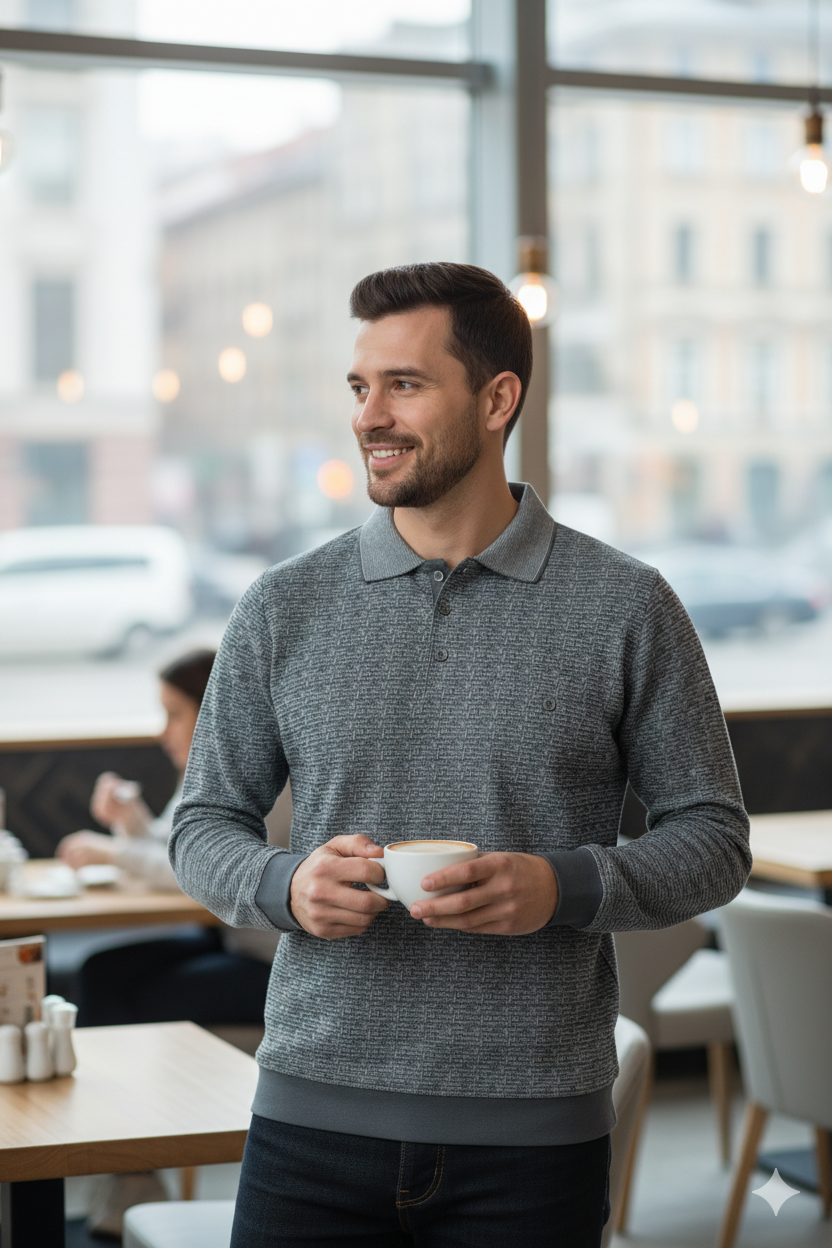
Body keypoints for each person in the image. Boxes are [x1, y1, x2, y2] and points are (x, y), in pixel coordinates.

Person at [170, 262, 751, 1248]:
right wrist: (285, 886)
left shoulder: (625, 605)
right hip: (310, 1118)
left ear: (496, 399)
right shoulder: (283, 605)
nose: (370, 416)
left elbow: (715, 839)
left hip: (535, 1134)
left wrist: (560, 886)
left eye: (404, 384)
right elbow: (202, 824)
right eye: (360, 386)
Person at [56, 649, 278, 1027]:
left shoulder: (260, 777)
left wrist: (115, 853)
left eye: (174, 714)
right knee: (98, 971)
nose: (162, 732)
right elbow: (177, 846)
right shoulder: (208, 769)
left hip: (269, 961)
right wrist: (131, 818)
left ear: (212, 713)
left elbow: (200, 869)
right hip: (230, 939)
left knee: (129, 995)